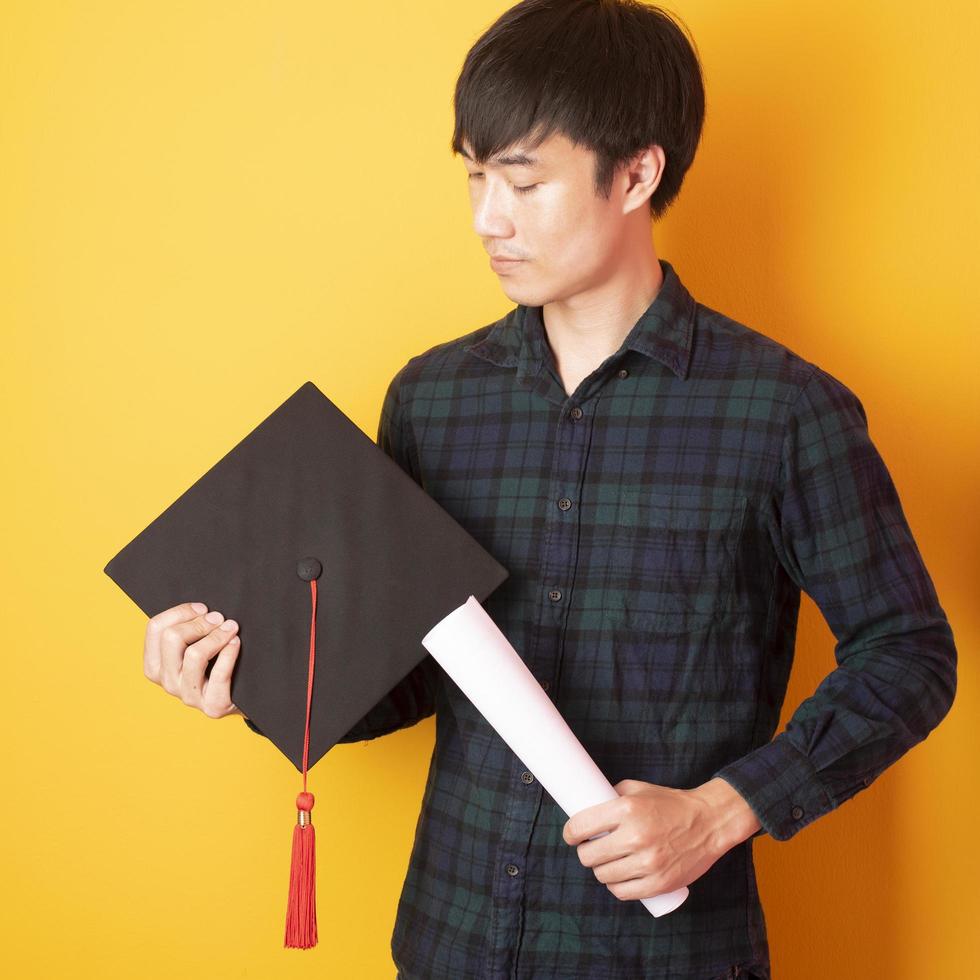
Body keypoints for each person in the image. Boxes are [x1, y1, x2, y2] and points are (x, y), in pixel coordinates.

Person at [142, 2, 958, 977]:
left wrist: (719, 809)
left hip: (660, 954)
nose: (489, 217)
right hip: (450, 938)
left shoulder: (783, 413)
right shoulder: (430, 399)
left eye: (523, 181)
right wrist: (256, 675)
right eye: (476, 176)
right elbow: (406, 674)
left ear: (637, 173)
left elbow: (908, 654)